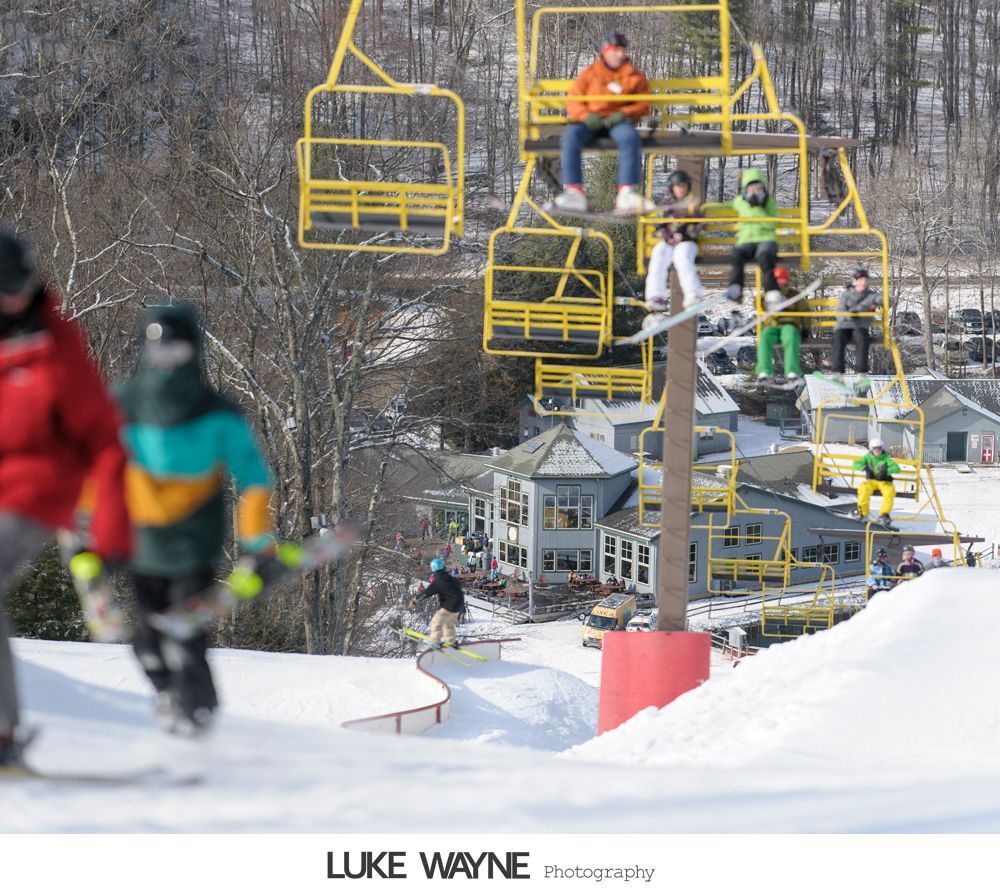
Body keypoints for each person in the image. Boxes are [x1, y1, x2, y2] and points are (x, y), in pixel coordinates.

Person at [0, 231, 132, 766]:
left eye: (21, 286)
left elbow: (103, 436)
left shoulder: (53, 345)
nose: (16, 297)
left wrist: (109, 526)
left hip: (38, 492)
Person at [117, 302, 276, 738]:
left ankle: (199, 718)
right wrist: (92, 532)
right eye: (158, 354)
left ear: (194, 353)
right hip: (142, 542)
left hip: (193, 544)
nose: (166, 364)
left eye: (176, 353)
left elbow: (254, 479)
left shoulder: (217, 413)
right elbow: (97, 468)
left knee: (185, 640)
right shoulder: (124, 404)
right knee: (147, 644)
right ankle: (170, 698)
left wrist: (257, 546)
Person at [548, 31, 655, 215]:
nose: (620, 54)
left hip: (618, 122)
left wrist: (624, 113)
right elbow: (574, 101)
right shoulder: (590, 73)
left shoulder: (633, 75)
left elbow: (644, 104)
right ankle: (574, 190)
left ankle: (626, 191)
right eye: (615, 50)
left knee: (630, 138)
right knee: (571, 137)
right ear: (605, 51)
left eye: (622, 50)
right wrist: (585, 115)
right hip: (591, 121)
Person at [643, 169, 706, 316]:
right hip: (670, 241)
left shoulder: (693, 204)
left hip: (687, 242)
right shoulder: (667, 205)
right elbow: (659, 224)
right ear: (672, 188)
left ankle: (693, 293)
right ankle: (655, 296)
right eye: (678, 187)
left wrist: (686, 234)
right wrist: (667, 236)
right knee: (658, 254)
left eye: (683, 186)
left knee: (682, 257)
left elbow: (701, 225)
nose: (681, 190)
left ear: (687, 187)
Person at [725, 168, 781, 305]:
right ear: (746, 190)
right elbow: (725, 206)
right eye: (752, 189)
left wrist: (759, 209)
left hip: (765, 238)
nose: (755, 192)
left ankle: (772, 292)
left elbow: (772, 224)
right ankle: (735, 288)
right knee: (737, 255)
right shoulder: (740, 201)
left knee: (765, 256)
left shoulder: (769, 202)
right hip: (746, 239)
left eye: (758, 188)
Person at [754, 266, 806, 385]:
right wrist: (765, 295)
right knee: (765, 336)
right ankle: (764, 371)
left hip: (788, 324)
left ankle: (792, 372)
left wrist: (806, 329)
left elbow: (805, 311)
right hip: (772, 325)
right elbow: (757, 305)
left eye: (782, 280)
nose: (780, 283)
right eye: (778, 281)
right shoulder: (768, 295)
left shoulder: (793, 295)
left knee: (791, 337)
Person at [830, 270, 879, 381]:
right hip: (844, 325)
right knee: (838, 338)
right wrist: (851, 315)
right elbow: (840, 310)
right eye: (861, 280)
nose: (864, 283)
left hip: (860, 326)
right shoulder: (846, 294)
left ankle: (861, 372)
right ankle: (837, 372)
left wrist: (878, 302)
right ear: (855, 282)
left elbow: (885, 300)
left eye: (866, 280)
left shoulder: (870, 295)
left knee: (862, 338)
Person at [417, 558, 465, 649]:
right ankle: (450, 641)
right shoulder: (453, 579)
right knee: (448, 623)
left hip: (448, 606)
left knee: (436, 622)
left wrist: (416, 600)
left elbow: (426, 593)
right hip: (459, 606)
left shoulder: (438, 581)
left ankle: (434, 642)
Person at [852, 436, 899, 525]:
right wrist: (864, 467)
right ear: (871, 449)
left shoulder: (886, 459)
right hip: (872, 481)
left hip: (884, 482)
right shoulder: (868, 458)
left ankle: (884, 514)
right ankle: (863, 513)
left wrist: (887, 471)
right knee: (863, 489)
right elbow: (855, 464)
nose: (877, 451)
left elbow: (896, 468)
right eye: (875, 449)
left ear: (882, 448)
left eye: (879, 448)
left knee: (889, 492)